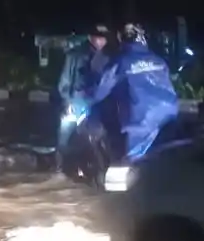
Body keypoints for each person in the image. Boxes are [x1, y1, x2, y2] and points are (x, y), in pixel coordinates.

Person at [85, 23, 179, 162]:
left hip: (140, 118)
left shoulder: (120, 61)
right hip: (169, 115)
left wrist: (87, 95)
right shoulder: (158, 60)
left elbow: (99, 91)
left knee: (134, 164)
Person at [56, 25, 112, 166]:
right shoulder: (75, 55)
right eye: (97, 37)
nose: (100, 41)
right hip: (76, 104)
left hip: (98, 106)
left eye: (103, 38)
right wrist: (67, 103)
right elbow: (65, 82)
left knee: (100, 141)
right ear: (90, 37)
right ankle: (59, 167)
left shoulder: (108, 57)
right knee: (64, 136)